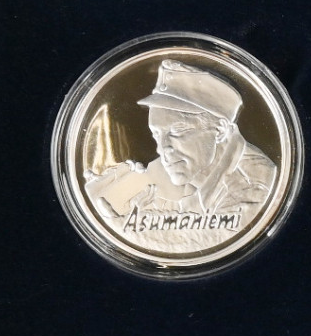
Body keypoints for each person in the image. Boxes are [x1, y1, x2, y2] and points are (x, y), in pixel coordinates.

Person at [82, 60, 279, 254]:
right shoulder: (196, 169)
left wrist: (126, 227)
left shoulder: (253, 187)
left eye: (177, 131)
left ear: (219, 131)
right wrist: (116, 198)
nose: (163, 149)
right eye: (157, 134)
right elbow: (190, 215)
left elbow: (206, 240)